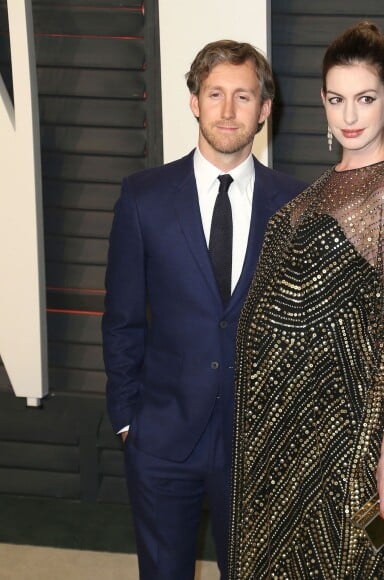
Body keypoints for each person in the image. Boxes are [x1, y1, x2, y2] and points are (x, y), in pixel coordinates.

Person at [102, 40, 305, 579]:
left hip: (258, 444)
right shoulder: (143, 198)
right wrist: (127, 419)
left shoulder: (296, 207)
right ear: (194, 101)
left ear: (265, 110)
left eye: (243, 96)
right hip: (162, 438)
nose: (228, 109)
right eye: (215, 93)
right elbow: (121, 318)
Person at [229, 22, 384, 578]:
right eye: (336, 100)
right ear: (322, 100)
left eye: (365, 99)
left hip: (346, 439)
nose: (350, 116)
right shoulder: (324, 185)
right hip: (285, 431)